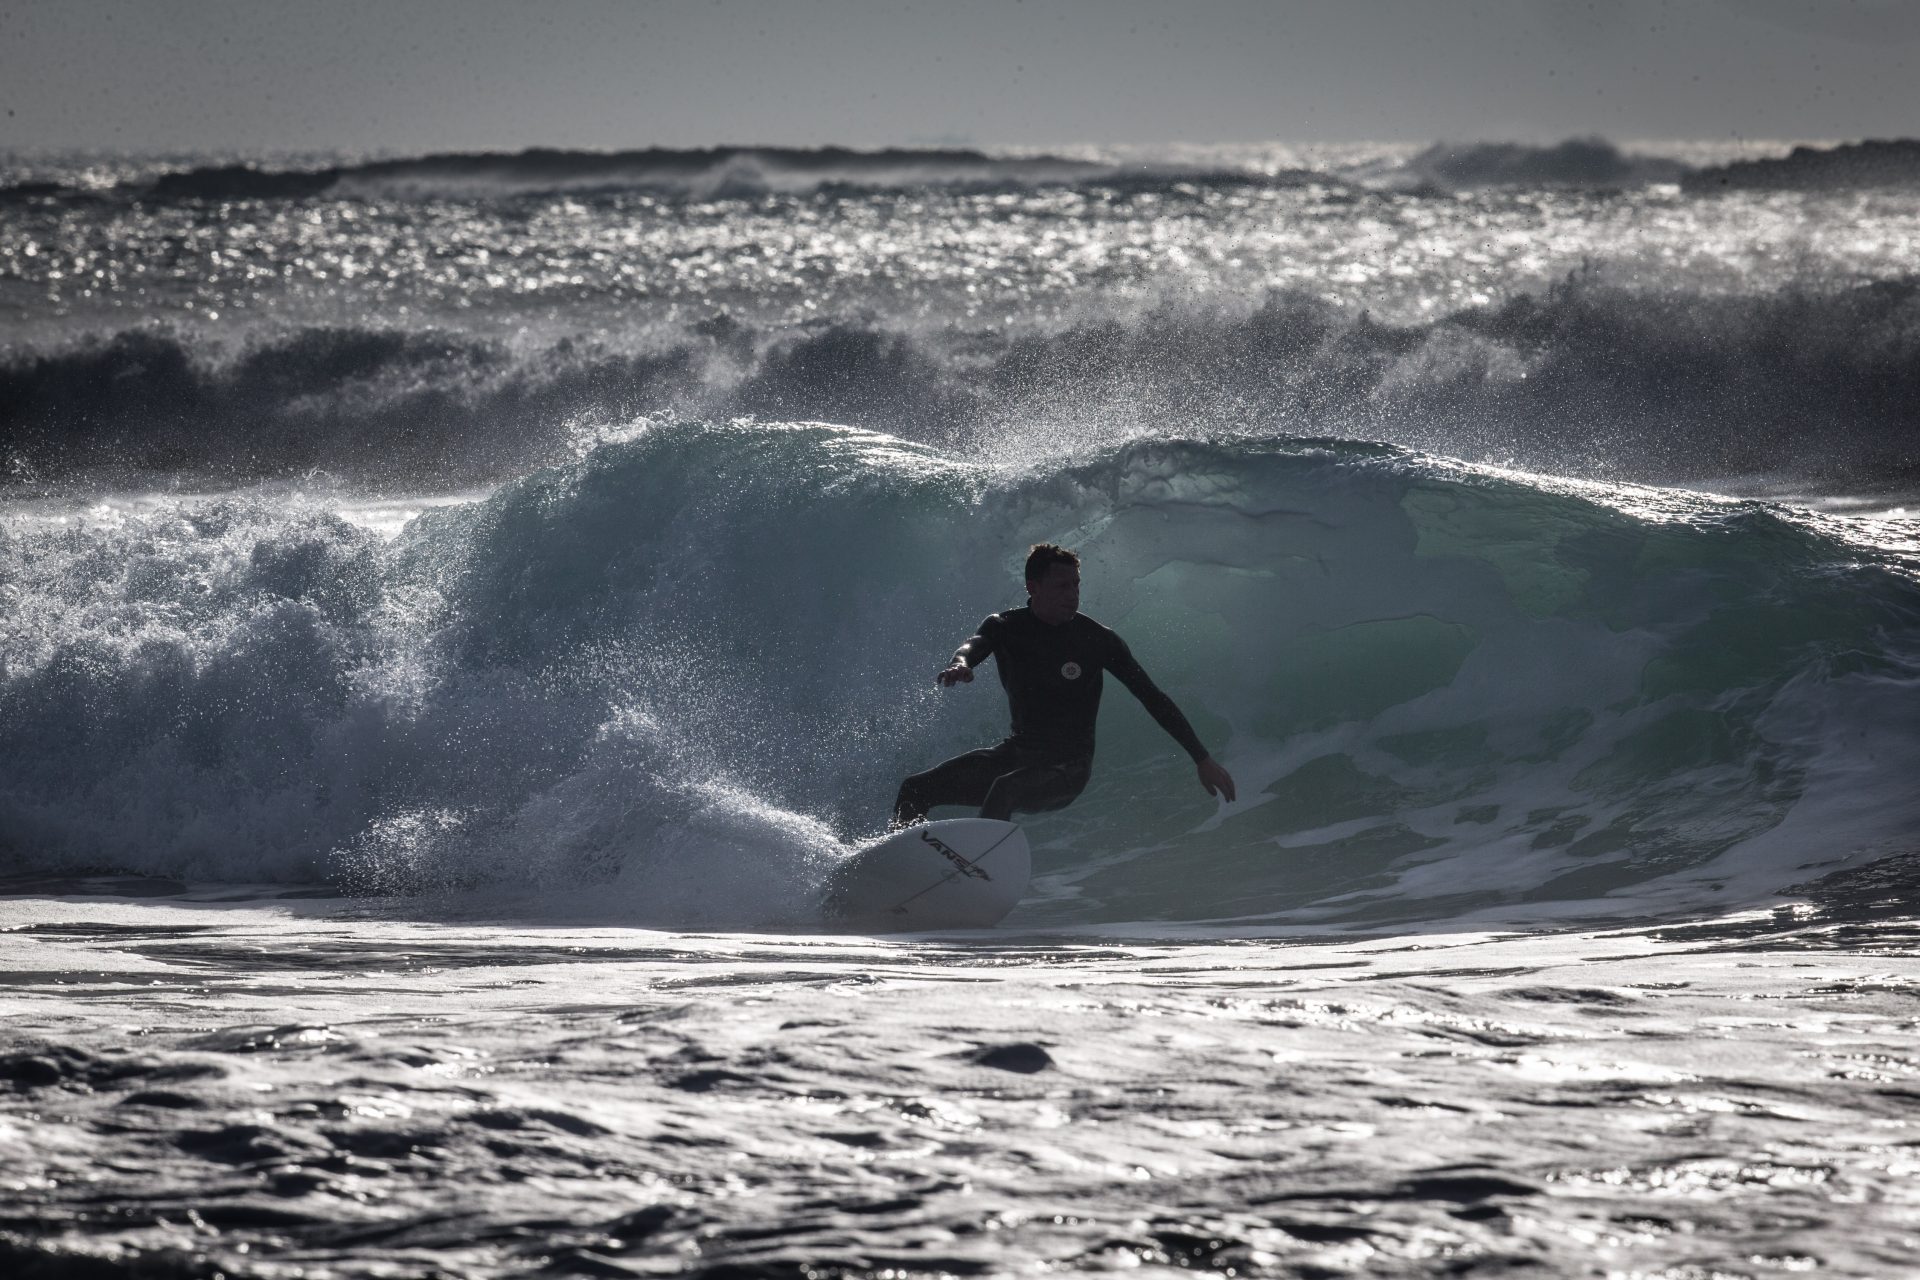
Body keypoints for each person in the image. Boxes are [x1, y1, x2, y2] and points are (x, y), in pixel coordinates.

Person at [892, 543, 1236, 828]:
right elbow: (974, 645)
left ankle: (973, 875)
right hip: (1018, 753)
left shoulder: (1097, 640)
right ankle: (899, 871)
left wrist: (1201, 758)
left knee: (1004, 789)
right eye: (1062, 586)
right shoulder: (1006, 627)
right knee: (915, 789)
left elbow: (1152, 697)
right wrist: (960, 664)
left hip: (1067, 768)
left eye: (1076, 585)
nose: (1072, 595)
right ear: (1033, 587)